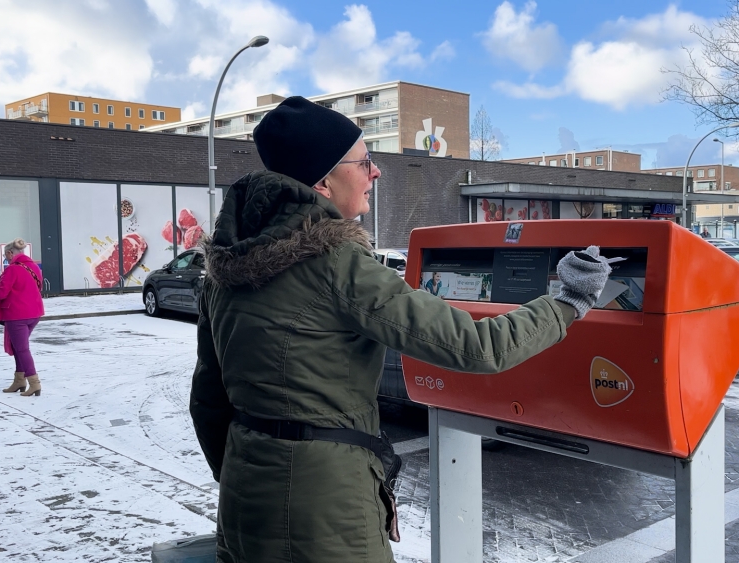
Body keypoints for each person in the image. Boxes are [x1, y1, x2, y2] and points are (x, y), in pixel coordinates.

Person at [189, 96, 609, 563]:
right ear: (323, 181)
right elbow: (477, 346)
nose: (376, 172)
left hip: (245, 500)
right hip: (324, 511)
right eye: (365, 161)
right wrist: (569, 301)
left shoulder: (227, 269)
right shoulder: (336, 265)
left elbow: (208, 402)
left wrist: (249, 475)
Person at [0, 238, 45, 396]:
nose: (6, 259)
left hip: (16, 314)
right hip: (34, 312)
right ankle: (19, 380)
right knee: (18, 347)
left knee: (21, 349)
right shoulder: (33, 266)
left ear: (9, 253)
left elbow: (1, 293)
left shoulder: (12, 269)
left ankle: (34, 383)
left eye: (6, 256)